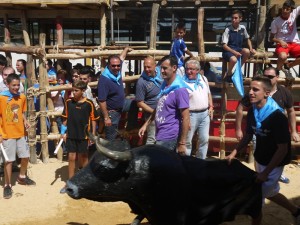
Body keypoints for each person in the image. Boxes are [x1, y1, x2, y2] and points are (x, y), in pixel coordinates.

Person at [226, 76, 300, 225]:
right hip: (260, 157)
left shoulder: (277, 116)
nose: (250, 93)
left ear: (266, 93)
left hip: (274, 164)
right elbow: (248, 135)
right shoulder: (253, 110)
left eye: (255, 89)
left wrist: (266, 172)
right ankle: (296, 211)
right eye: (250, 89)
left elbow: (283, 148)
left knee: (255, 199)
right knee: (271, 192)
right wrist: (234, 153)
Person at [235, 66, 300, 183]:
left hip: (276, 139)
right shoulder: (253, 108)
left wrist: (294, 131)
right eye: (265, 76)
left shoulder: (283, 96)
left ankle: (271, 173)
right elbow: (240, 109)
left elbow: (290, 111)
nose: (251, 93)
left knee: (264, 189)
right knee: (267, 188)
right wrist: (238, 131)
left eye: (270, 76)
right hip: (261, 144)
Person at [138, 55, 190, 154]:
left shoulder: (180, 89)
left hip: (170, 136)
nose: (161, 71)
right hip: (160, 134)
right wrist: (146, 124)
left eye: (165, 68)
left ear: (174, 68)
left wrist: (182, 143)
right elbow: (158, 109)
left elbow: (186, 117)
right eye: (161, 68)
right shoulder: (164, 86)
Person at [0, 74, 36, 199]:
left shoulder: (22, 97)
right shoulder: (2, 98)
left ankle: (22, 177)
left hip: (20, 133)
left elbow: (20, 112)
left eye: (17, 85)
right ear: (8, 85)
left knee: (25, 157)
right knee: (8, 160)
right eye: (13, 85)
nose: (16, 87)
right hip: (7, 134)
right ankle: (7, 185)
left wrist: (25, 120)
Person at [60, 80, 99, 193]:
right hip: (71, 135)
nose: (73, 93)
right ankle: (70, 182)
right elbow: (65, 118)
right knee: (71, 158)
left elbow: (93, 119)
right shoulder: (68, 102)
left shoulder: (89, 103)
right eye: (73, 90)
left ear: (83, 91)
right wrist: (63, 132)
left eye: (76, 91)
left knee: (84, 157)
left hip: (83, 136)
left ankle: (85, 181)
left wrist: (92, 134)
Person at [97, 47, 132, 141]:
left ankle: (131, 127)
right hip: (112, 111)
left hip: (122, 104)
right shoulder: (104, 79)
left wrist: (126, 49)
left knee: (135, 103)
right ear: (109, 65)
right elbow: (102, 100)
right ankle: (108, 154)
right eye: (113, 66)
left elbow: (122, 57)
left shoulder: (117, 72)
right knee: (111, 137)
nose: (116, 67)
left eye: (118, 65)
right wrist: (106, 117)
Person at [183, 59, 213, 158]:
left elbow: (208, 94)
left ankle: (200, 162)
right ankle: (187, 163)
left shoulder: (203, 79)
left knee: (204, 139)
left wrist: (211, 106)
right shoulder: (182, 82)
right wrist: (186, 118)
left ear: (198, 70)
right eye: (187, 69)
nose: (189, 71)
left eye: (192, 69)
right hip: (190, 115)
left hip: (204, 114)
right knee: (187, 141)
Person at [135, 56, 162, 144]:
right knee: (152, 138)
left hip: (165, 111)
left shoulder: (162, 73)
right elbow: (139, 103)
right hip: (151, 113)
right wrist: (154, 111)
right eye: (145, 67)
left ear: (155, 66)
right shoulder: (141, 82)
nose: (146, 69)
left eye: (149, 67)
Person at [221, 9, 256, 80]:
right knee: (234, 60)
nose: (233, 20)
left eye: (235, 18)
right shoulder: (228, 29)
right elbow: (224, 45)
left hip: (238, 49)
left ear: (240, 19)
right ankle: (229, 74)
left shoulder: (243, 28)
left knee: (247, 51)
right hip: (228, 51)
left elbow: (247, 38)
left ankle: (237, 70)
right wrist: (234, 52)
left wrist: (251, 48)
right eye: (232, 18)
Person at [270, 0, 300, 79]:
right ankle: (277, 71)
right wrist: (280, 41)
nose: (284, 11)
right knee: (283, 56)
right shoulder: (275, 21)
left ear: (291, 10)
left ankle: (289, 65)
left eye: (287, 9)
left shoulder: (294, 14)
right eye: (283, 8)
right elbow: (271, 38)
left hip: (294, 43)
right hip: (282, 44)